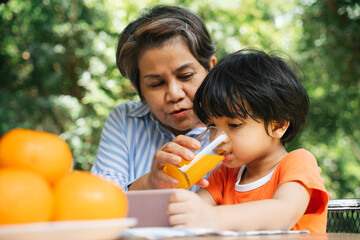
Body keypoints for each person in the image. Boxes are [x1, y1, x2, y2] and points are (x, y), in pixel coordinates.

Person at [166, 49, 329, 233]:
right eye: (211, 125)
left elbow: (282, 214)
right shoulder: (225, 175)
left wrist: (211, 217)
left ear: (277, 126)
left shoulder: (298, 163)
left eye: (234, 125)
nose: (218, 139)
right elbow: (192, 212)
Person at [91, 5, 217, 191]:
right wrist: (150, 183)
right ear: (138, 88)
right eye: (156, 84)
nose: (174, 94)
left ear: (211, 68)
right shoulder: (126, 120)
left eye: (186, 75)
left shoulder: (239, 123)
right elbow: (102, 200)